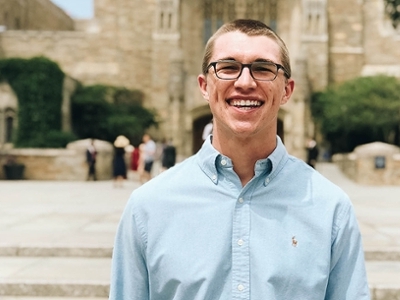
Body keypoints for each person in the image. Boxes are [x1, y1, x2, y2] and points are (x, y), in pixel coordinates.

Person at [109, 19, 369, 299]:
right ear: (204, 86)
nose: (245, 82)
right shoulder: (148, 207)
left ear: (287, 90)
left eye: (263, 69)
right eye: (228, 67)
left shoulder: (330, 208)